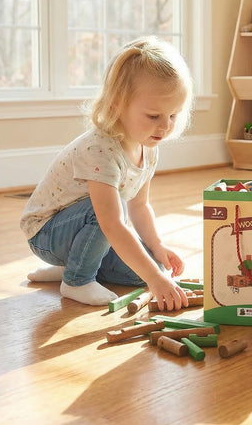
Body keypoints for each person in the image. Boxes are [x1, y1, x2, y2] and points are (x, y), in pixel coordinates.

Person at [21, 36, 193, 308]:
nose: (165, 127)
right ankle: (76, 279)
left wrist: (157, 252)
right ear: (116, 105)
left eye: (173, 115)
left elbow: (140, 204)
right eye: (153, 116)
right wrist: (155, 281)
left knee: (151, 267)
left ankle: (72, 264)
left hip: (87, 228)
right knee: (111, 218)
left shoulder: (148, 145)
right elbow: (111, 223)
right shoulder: (100, 149)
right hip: (46, 233)